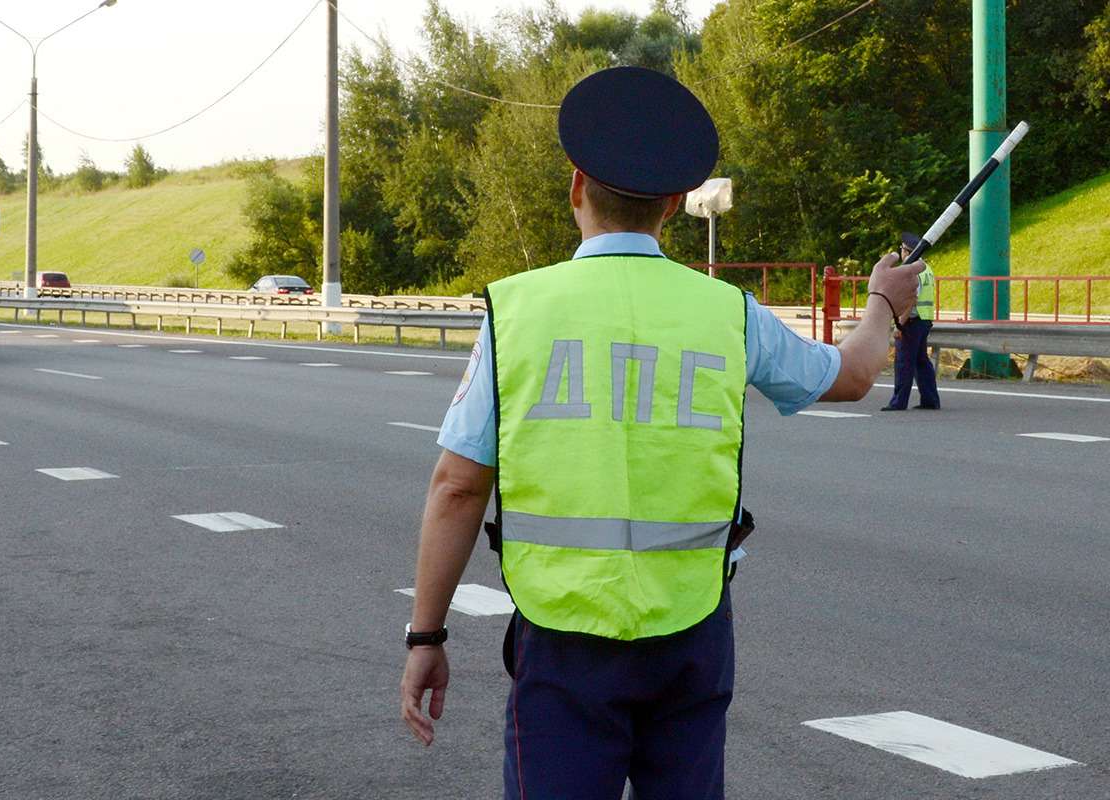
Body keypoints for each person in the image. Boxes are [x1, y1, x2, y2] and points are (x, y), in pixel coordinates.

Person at [398, 66, 925, 800]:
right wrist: (882, 304)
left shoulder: (518, 311)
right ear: (676, 205)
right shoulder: (726, 313)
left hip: (564, 628)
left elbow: (457, 488)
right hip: (693, 628)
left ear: (576, 185)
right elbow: (852, 375)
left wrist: (427, 636)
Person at [882, 231, 940, 410]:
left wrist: (899, 323)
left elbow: (911, 299)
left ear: (906, 251)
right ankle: (930, 400)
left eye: (901, 249)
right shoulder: (926, 268)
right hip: (925, 319)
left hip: (912, 321)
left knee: (904, 362)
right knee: (921, 361)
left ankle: (898, 402)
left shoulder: (910, 270)